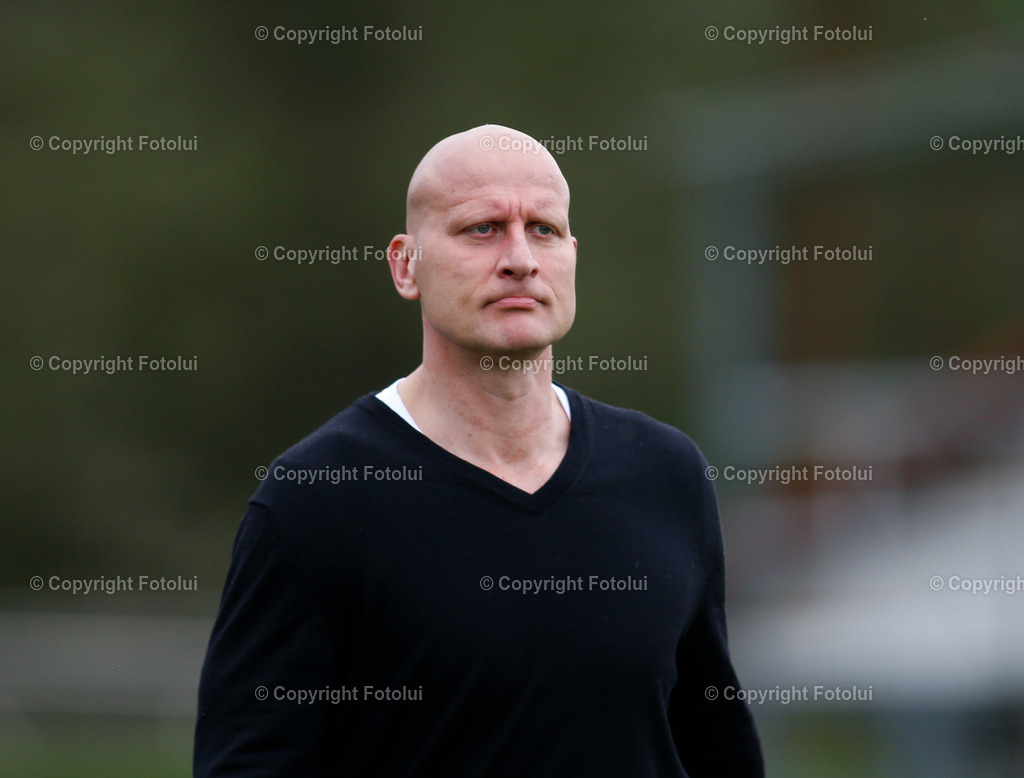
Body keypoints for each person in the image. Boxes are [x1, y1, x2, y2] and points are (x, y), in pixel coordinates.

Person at [194, 124, 764, 776]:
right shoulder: (316, 499)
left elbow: (715, 744)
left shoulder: (664, 472)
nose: (520, 257)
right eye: (482, 229)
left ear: (572, 254)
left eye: (544, 229)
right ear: (406, 264)